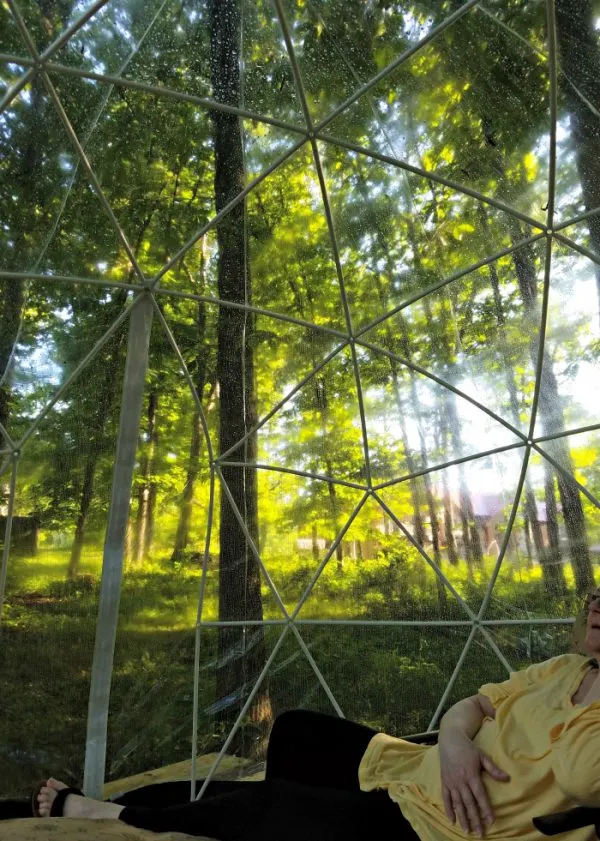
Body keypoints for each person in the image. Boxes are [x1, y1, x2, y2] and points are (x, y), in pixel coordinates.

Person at [30, 588, 600, 841]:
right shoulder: (563, 668)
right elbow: (473, 705)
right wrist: (454, 743)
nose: (596, 601)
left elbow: (580, 776)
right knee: (297, 729)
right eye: (597, 592)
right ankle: (244, 817)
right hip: (417, 769)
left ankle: (114, 818)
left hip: (440, 828)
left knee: (272, 800)